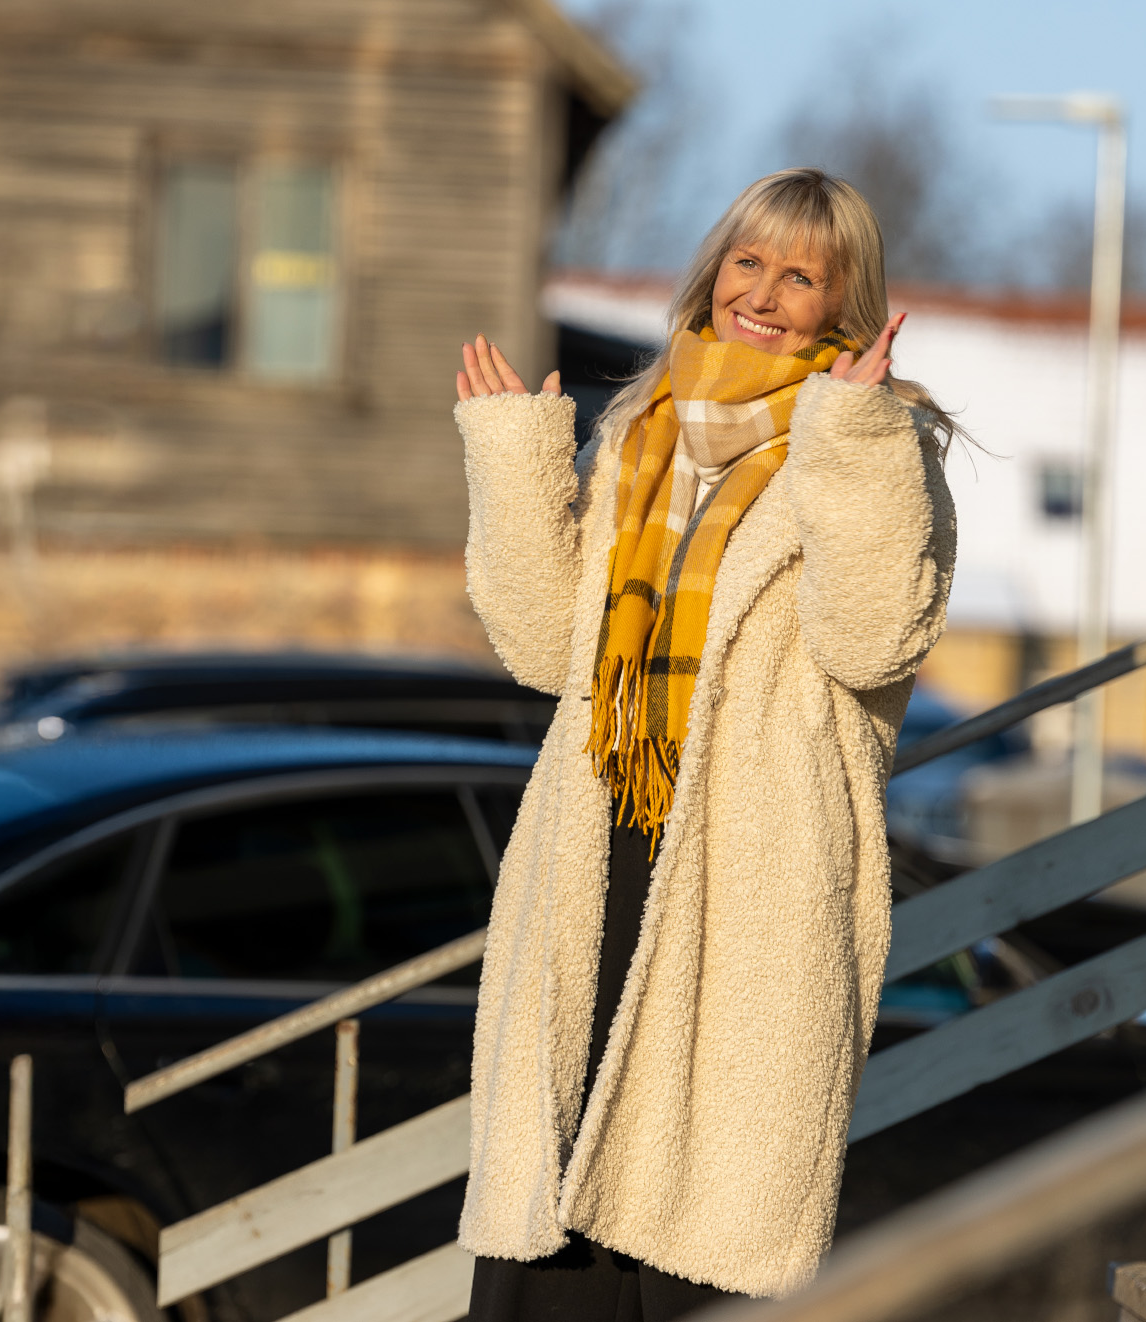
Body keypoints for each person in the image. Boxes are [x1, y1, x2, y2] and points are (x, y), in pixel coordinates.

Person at [450, 167, 959, 1319]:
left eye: (800, 275)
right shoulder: (639, 430)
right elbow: (545, 650)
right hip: (599, 844)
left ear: (842, 304)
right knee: (551, 1220)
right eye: (749, 261)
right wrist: (512, 459)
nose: (765, 294)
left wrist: (859, 438)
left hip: (751, 881)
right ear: (712, 269)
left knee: (698, 1237)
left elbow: (873, 641)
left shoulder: (882, 451)